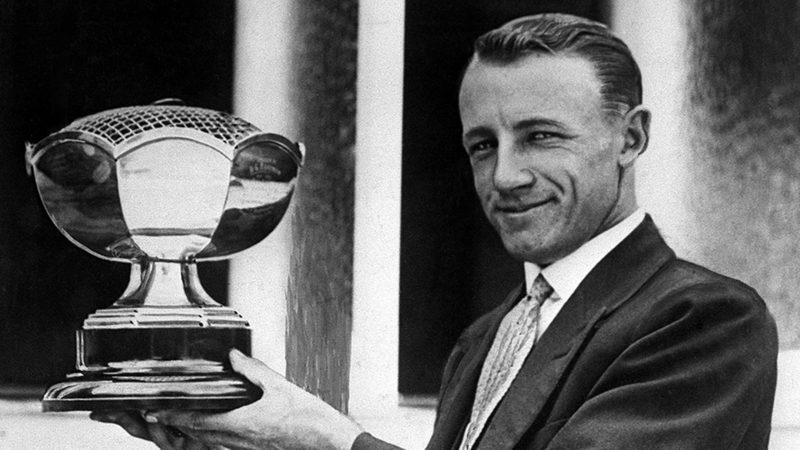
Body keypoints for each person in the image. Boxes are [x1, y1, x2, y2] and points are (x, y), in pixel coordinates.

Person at [91, 13, 778, 449]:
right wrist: (245, 442)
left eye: (541, 137)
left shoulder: (704, 319)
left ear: (631, 137)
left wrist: (323, 437)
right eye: (482, 145)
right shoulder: (486, 338)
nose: (505, 176)